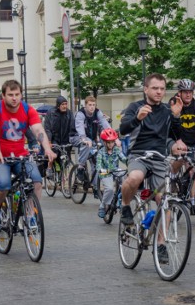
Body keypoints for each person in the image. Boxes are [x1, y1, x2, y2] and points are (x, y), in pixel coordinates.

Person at [118, 74, 184, 263]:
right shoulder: (135, 107)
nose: (159, 92)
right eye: (155, 88)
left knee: (165, 201)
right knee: (134, 177)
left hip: (159, 158)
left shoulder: (166, 110)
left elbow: (177, 134)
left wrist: (177, 116)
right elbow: (123, 129)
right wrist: (137, 119)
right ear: (145, 89)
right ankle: (124, 207)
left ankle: (161, 244)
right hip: (139, 154)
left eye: (162, 88)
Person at [0, 80, 56, 232]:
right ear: (3, 96)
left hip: (20, 155)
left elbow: (38, 130)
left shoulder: (27, 109)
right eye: (10, 95)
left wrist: (47, 149)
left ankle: (30, 215)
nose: (14, 98)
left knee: (36, 182)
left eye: (17, 94)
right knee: (3, 184)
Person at [70, 96, 115, 182]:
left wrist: (113, 137)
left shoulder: (97, 112)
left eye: (94, 105)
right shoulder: (80, 113)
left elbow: (105, 124)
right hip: (76, 137)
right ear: (85, 105)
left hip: (91, 140)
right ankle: (80, 167)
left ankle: (95, 188)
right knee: (87, 143)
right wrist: (84, 139)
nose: (92, 107)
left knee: (97, 161)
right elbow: (80, 127)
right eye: (90, 105)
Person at [96, 128, 126, 218]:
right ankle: (102, 206)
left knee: (126, 184)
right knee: (109, 189)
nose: (111, 144)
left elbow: (123, 158)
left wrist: (131, 163)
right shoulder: (101, 152)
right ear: (104, 142)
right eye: (108, 142)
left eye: (112, 142)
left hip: (116, 171)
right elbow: (98, 166)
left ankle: (120, 200)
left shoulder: (116, 150)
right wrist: (104, 171)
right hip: (106, 172)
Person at [43, 95, 76, 176]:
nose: (65, 106)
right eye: (62, 104)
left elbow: (72, 127)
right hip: (55, 139)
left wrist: (73, 138)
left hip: (65, 140)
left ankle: (62, 177)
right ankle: (49, 167)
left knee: (66, 160)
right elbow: (48, 128)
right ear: (58, 105)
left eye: (66, 104)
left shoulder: (69, 113)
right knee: (54, 155)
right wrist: (49, 141)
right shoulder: (51, 112)